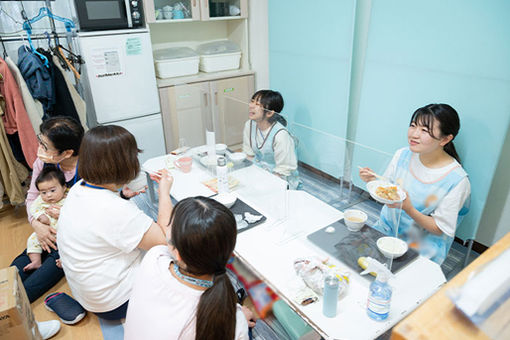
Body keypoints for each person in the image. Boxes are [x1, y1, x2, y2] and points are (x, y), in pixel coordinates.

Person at [57, 125, 173, 320]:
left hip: (88, 293)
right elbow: (164, 239)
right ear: (124, 163)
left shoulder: (80, 187)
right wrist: (164, 192)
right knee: (179, 254)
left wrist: (122, 195)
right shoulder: (113, 210)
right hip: (116, 302)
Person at [124, 196, 254, 340]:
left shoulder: (154, 257)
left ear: (177, 252)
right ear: (230, 252)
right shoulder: (230, 323)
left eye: (169, 226)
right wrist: (239, 317)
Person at [359, 103, 470, 264]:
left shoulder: (457, 181)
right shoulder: (402, 154)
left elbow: (440, 229)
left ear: (445, 139)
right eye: (413, 126)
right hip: (386, 229)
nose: (414, 134)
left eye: (424, 130)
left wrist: (409, 209)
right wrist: (372, 181)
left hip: (422, 245)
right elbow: (386, 190)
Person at [11, 116, 84, 302]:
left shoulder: (89, 169)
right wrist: (37, 225)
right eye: (40, 142)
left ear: (67, 152)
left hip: (72, 238)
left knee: (29, 288)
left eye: (45, 146)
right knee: (15, 271)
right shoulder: (42, 163)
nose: (39, 149)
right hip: (46, 228)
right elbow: (33, 197)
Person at [242, 89, 301, 189]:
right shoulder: (249, 125)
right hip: (259, 171)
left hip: (280, 178)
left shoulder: (281, 135)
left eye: (258, 104)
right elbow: (249, 154)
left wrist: (264, 184)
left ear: (269, 113)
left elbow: (284, 169)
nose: (251, 106)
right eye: (252, 101)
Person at [25, 167, 67, 272]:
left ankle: (65, 260)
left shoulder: (68, 199)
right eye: (43, 192)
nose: (48, 195)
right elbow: (33, 208)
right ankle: (36, 261)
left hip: (63, 232)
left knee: (68, 243)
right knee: (32, 240)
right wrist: (40, 216)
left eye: (53, 190)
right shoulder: (40, 201)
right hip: (44, 230)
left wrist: (63, 213)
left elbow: (76, 213)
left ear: (64, 187)